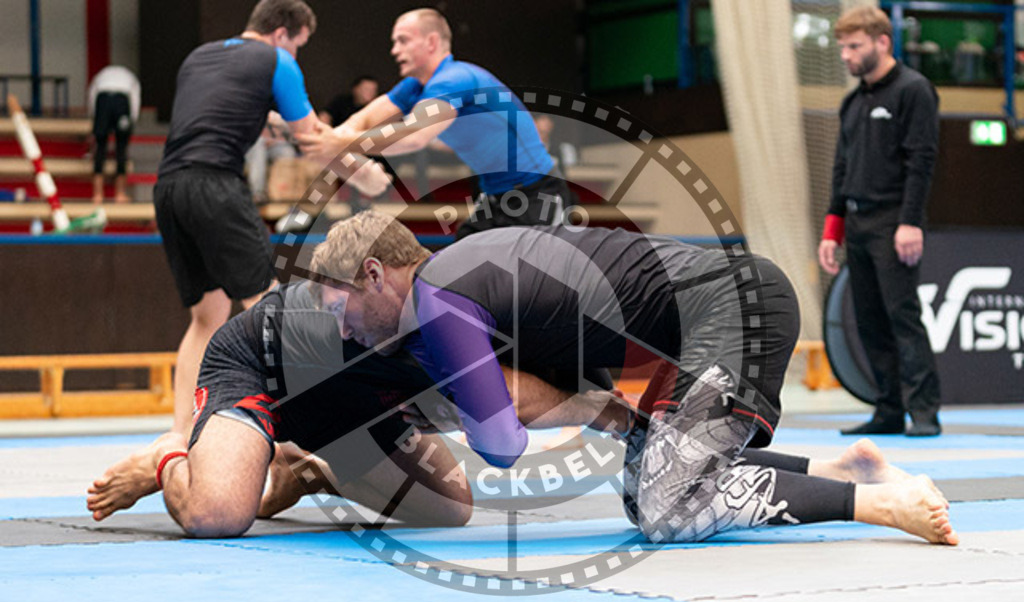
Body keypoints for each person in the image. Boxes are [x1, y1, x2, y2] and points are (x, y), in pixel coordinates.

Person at [308, 211, 958, 546]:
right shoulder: (460, 275)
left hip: (735, 305)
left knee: (665, 505)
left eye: (341, 310)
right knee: (647, 480)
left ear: (374, 273)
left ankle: (877, 506)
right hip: (692, 327)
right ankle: (844, 470)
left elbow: (501, 444)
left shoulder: (438, 299)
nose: (344, 331)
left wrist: (466, 395)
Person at [86, 281, 628, 536]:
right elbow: (513, 396)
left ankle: (306, 470)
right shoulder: (455, 314)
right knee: (219, 516)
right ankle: (170, 455)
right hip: (264, 365)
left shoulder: (526, 324)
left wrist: (597, 407)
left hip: (354, 401)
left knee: (450, 509)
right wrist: (599, 412)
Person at [155, 0, 389, 437]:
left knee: (207, 317)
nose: (296, 55)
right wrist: (366, 172)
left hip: (169, 187)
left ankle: (181, 434)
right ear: (283, 33)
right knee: (272, 307)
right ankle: (300, 432)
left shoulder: (200, 57)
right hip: (215, 186)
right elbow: (309, 140)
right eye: (299, 45)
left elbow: (252, 116)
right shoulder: (276, 60)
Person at [297, 8, 572, 239]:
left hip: (539, 194)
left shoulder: (455, 79)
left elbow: (414, 135)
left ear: (430, 42)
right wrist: (330, 144)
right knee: (451, 280)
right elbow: (363, 120)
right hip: (494, 197)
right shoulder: (415, 87)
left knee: (536, 293)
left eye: (402, 41)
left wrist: (336, 143)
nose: (394, 51)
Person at [818, 6, 942, 438]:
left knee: (902, 315)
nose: (846, 56)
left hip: (894, 220)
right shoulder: (853, 102)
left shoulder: (914, 90)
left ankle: (924, 412)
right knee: (868, 320)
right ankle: (888, 409)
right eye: (842, 48)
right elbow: (841, 168)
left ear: (882, 42)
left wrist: (910, 222)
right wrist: (832, 229)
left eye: (854, 46)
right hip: (856, 221)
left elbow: (921, 161)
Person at [88, 65, 140, 204]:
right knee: (121, 147)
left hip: (103, 99)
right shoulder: (130, 78)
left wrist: (95, 117)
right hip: (121, 100)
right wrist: (132, 120)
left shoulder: (101, 75)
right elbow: (135, 100)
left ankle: (97, 194)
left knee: (100, 146)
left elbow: (92, 95)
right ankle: (120, 193)